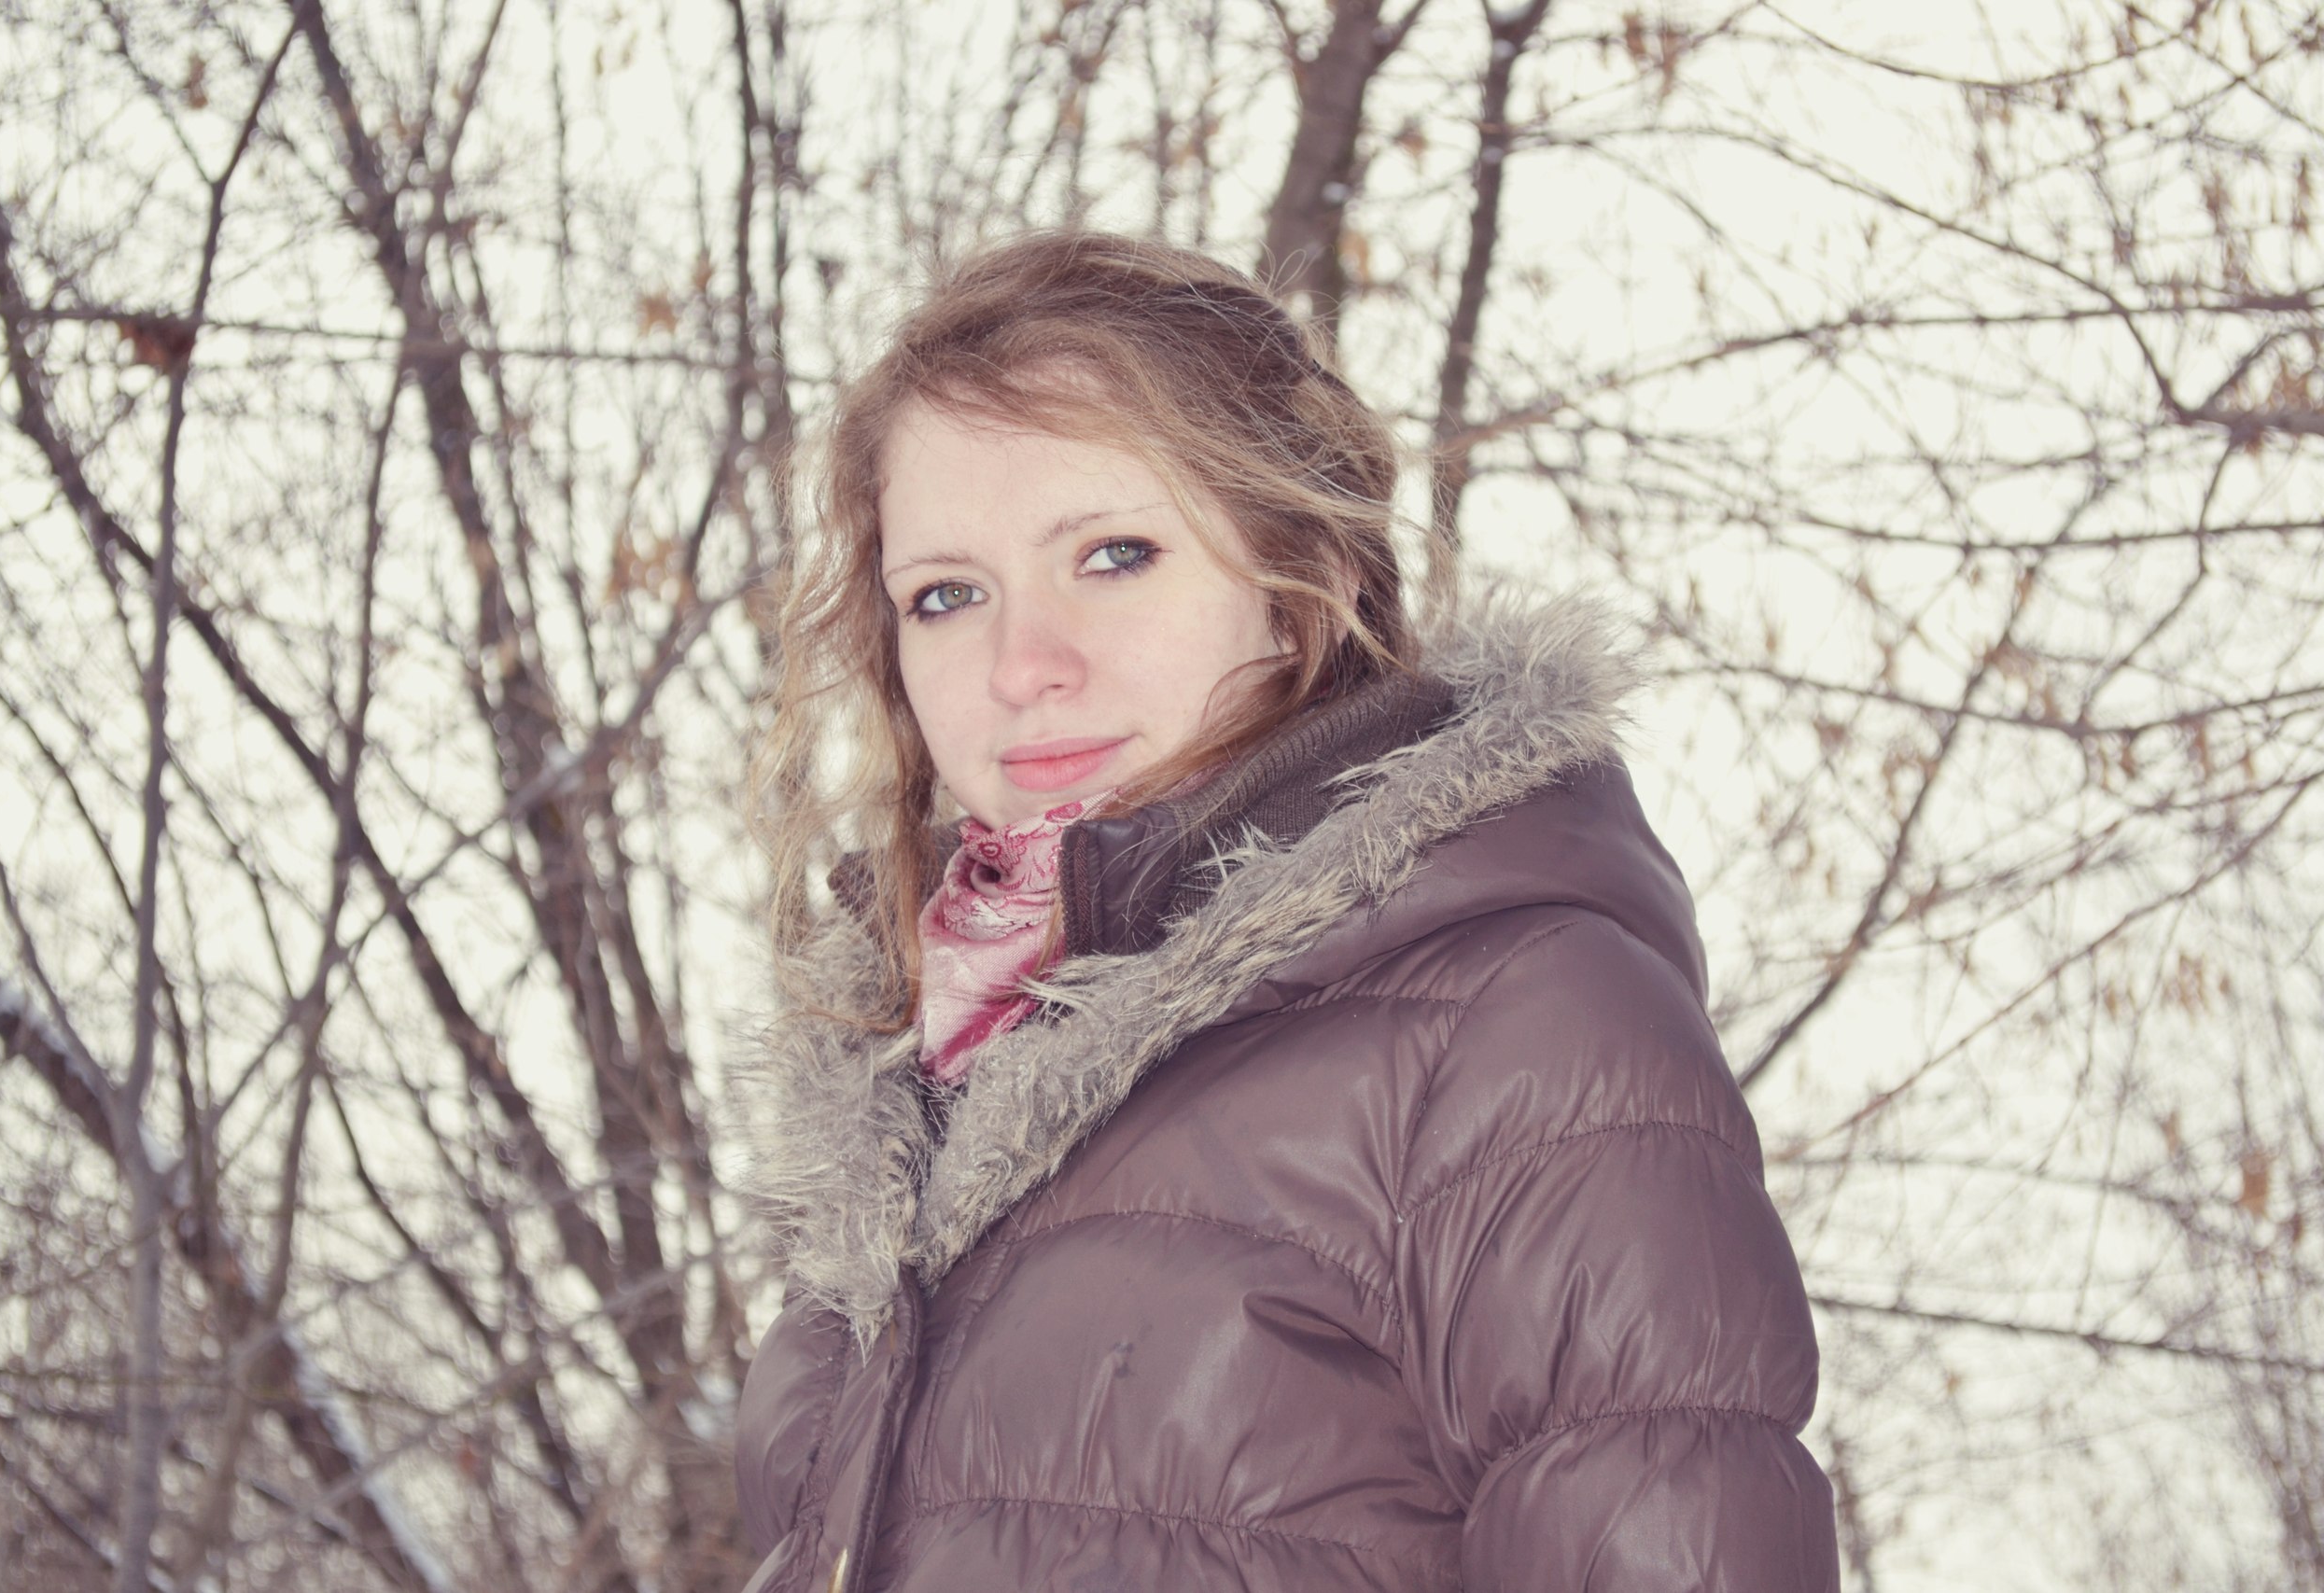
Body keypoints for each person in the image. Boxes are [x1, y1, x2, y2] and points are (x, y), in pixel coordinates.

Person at [734, 231, 1839, 1592]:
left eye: (1116, 554)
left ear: (1294, 575)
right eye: (947, 595)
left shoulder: (1518, 1019)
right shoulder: (912, 1092)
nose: (1023, 664)